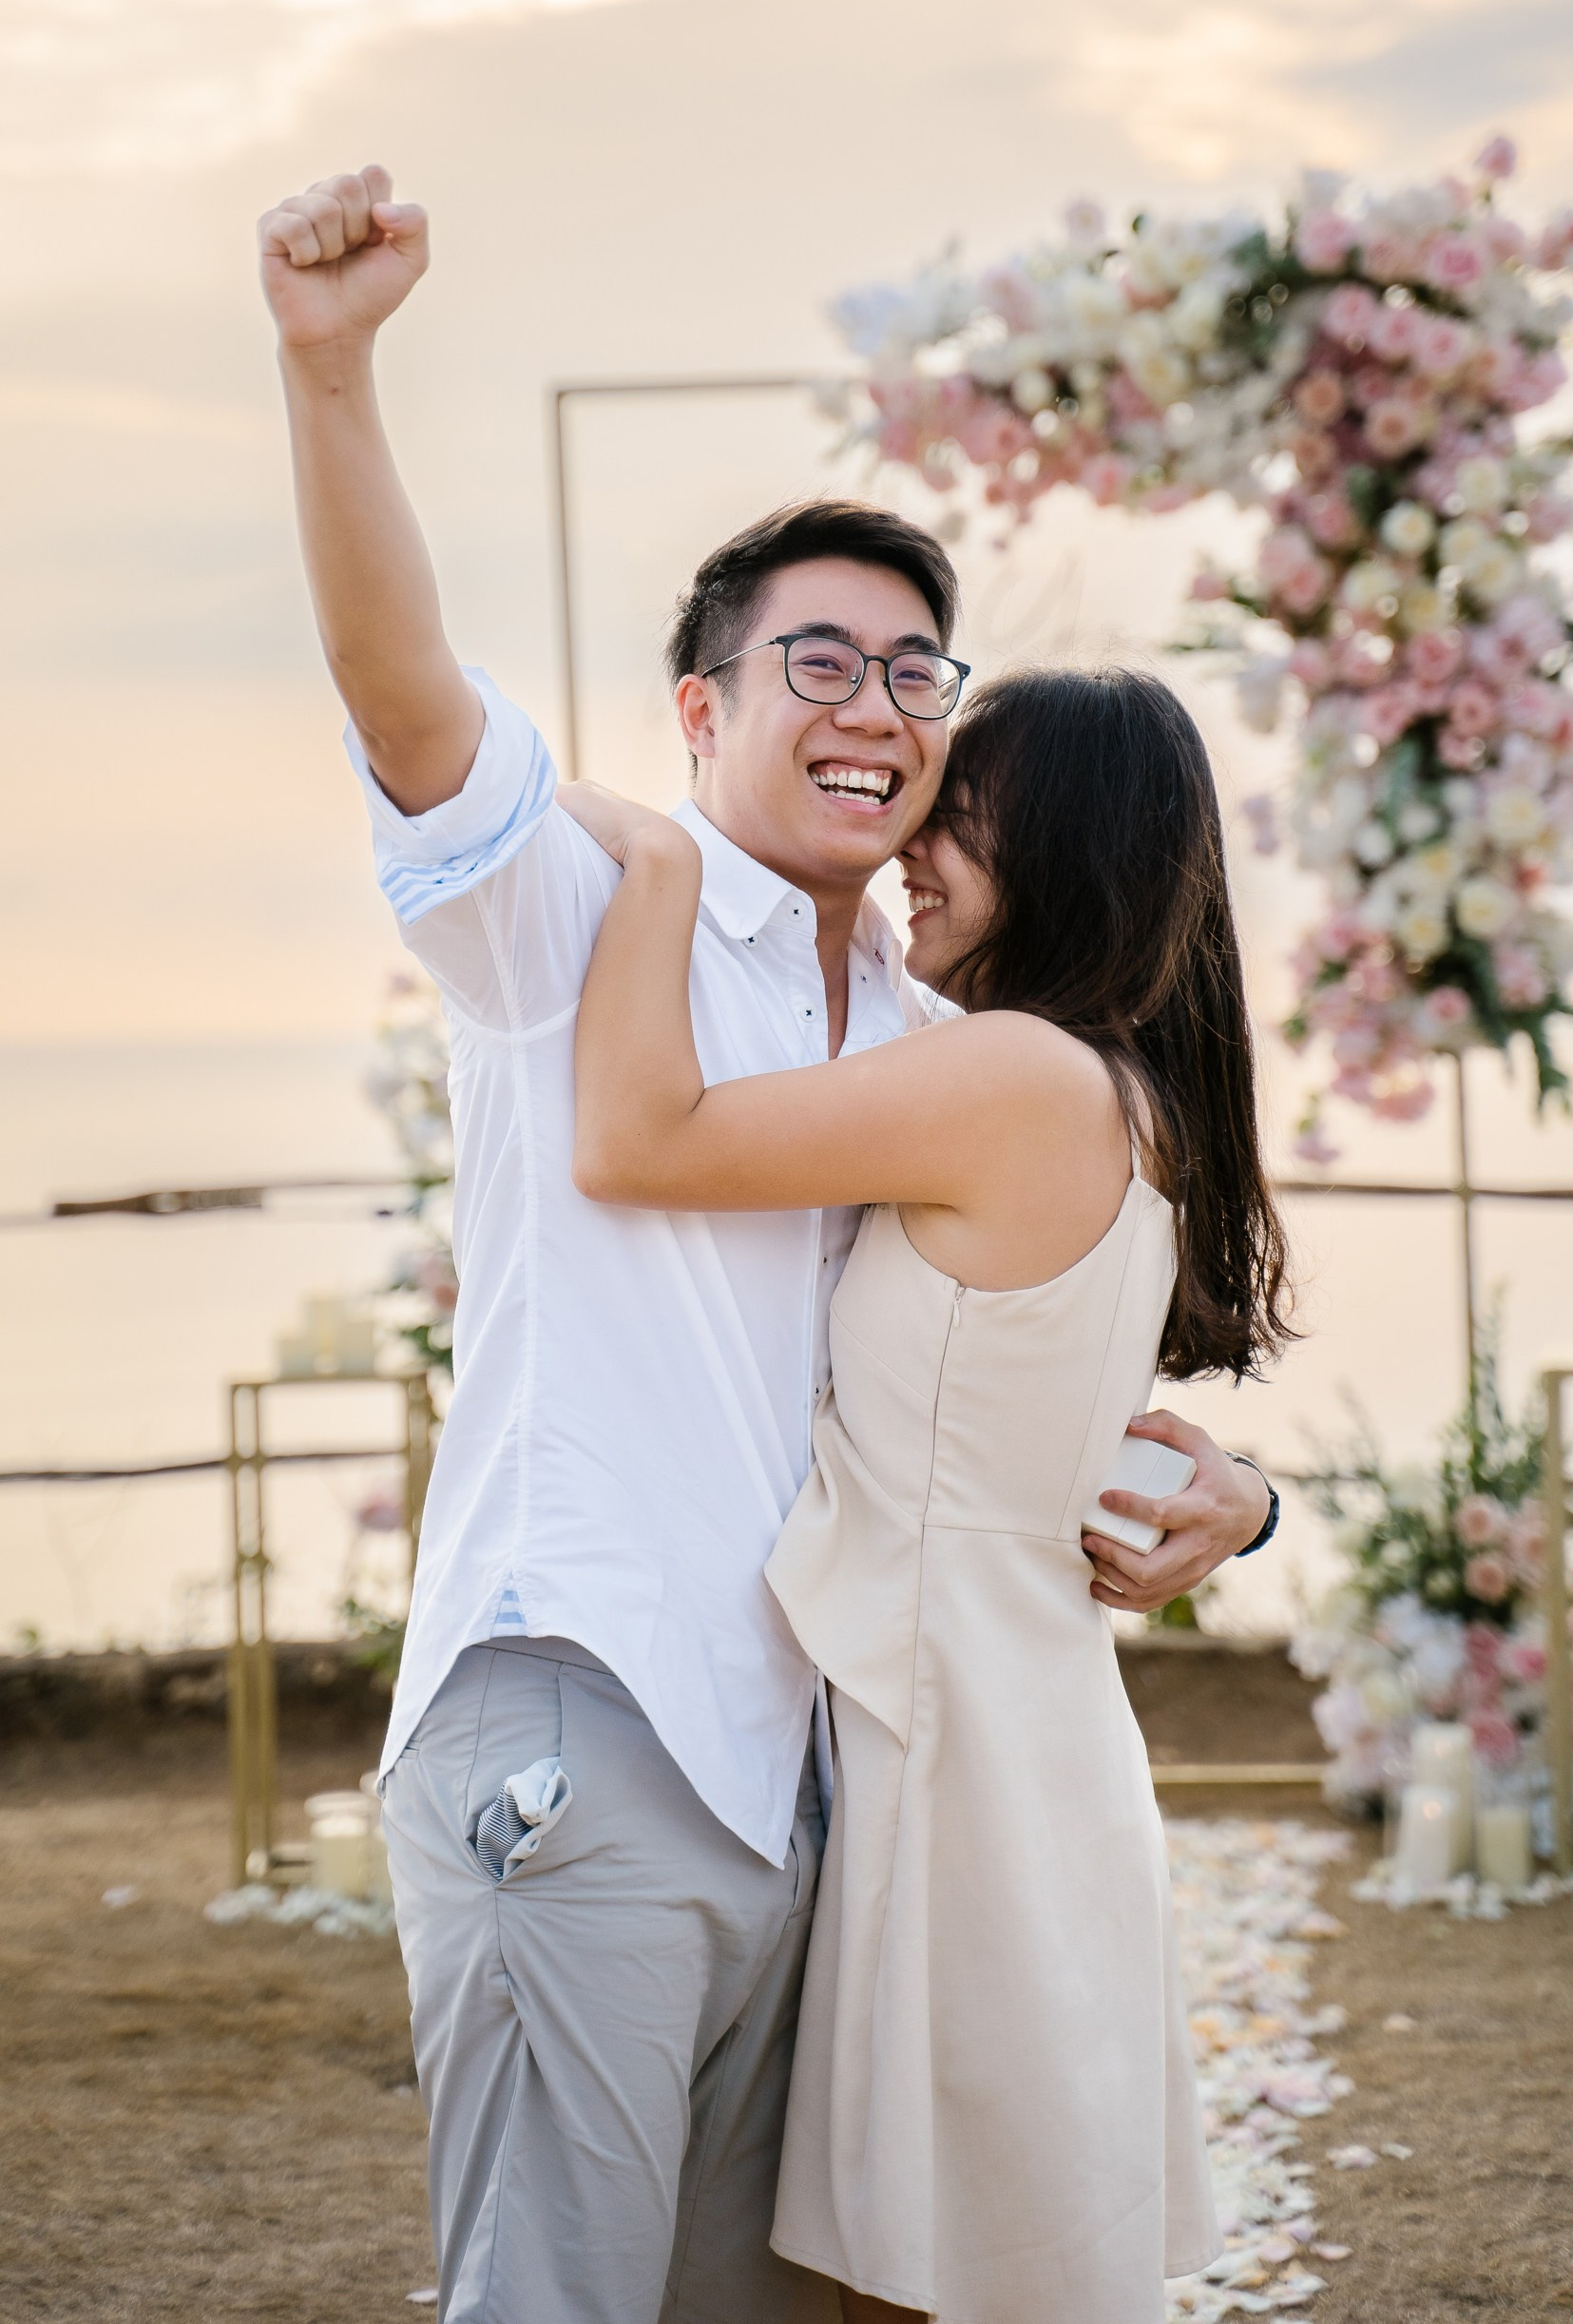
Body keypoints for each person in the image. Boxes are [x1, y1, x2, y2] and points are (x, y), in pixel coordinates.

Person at [257, 163, 1278, 2324]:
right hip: (590, 1711)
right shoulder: (569, 914)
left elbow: (1001, 1370)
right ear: (701, 710)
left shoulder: (933, 1035)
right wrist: (330, 366)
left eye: (921, 673)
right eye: (815, 656)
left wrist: (1239, 1496)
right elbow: (401, 682)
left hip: (812, 1780)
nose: (877, 703)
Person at [562, 666, 1294, 2323]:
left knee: (926, 2277)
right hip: (1000, 1725)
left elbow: (634, 1141)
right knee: (941, 2268)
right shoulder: (1112, 1092)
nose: (913, 839)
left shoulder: (1022, 1080)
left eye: (961, 809)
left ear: (1063, 841)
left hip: (947, 1749)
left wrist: (667, 874)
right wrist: (1247, 1502)